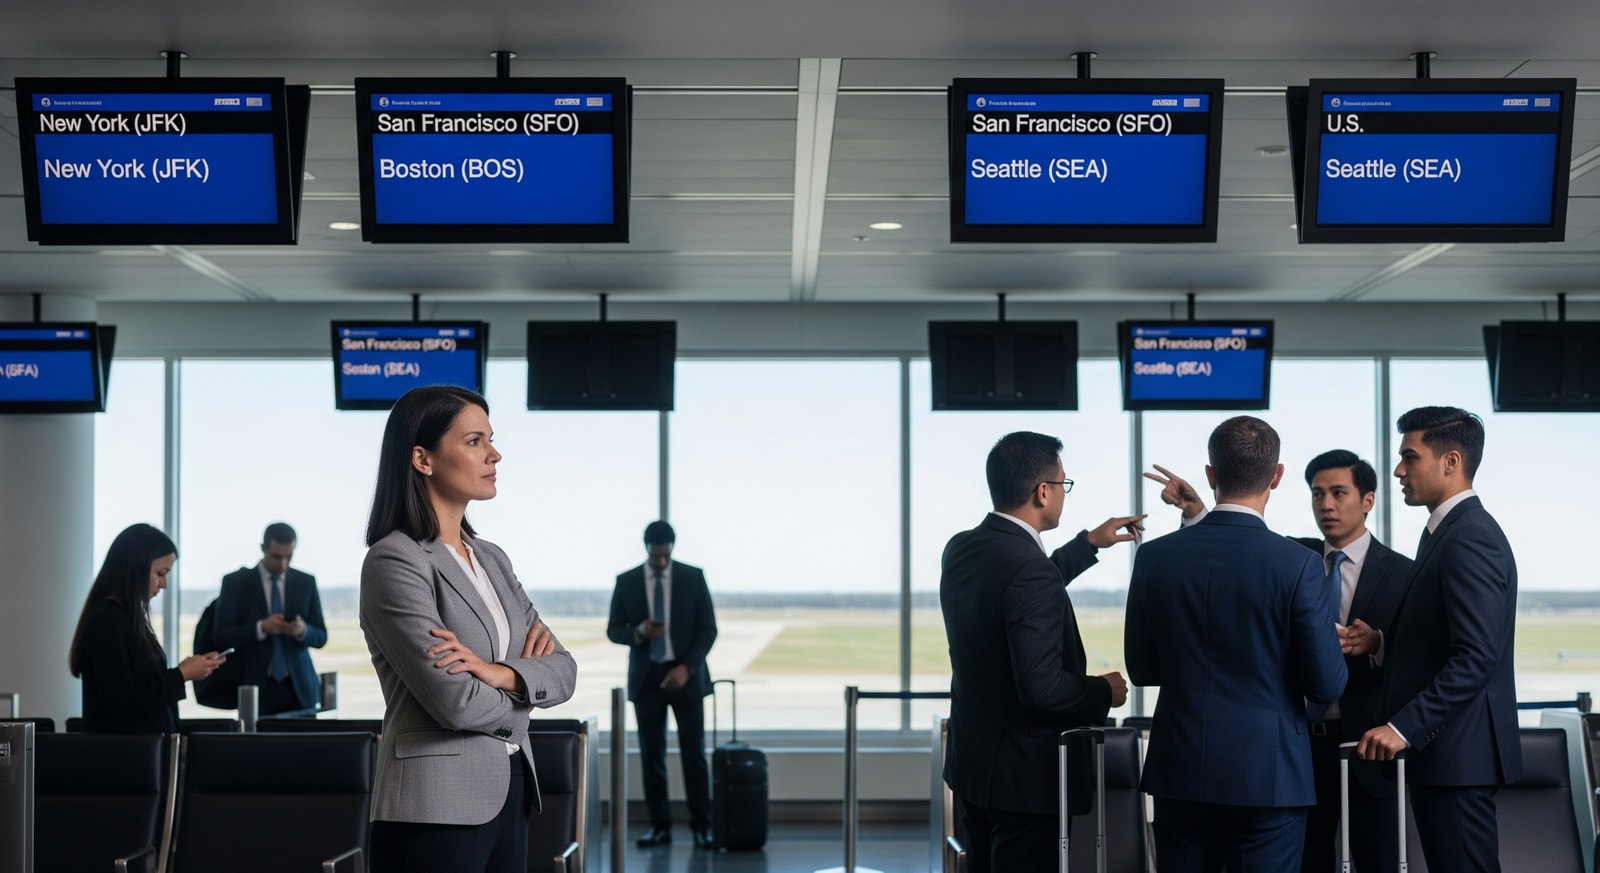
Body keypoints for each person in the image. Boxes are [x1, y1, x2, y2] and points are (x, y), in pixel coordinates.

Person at [1147, 449, 1412, 873]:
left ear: (1367, 500)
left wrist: (1379, 643)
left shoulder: (1404, 573)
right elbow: (1231, 558)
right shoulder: (1294, 557)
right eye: (1317, 494)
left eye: (1339, 493)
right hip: (1294, 746)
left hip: (1366, 747)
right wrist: (1198, 512)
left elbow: (1421, 654)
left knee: (1377, 858)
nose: (1326, 504)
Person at [360, 385, 578, 873]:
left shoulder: (492, 559)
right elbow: (454, 701)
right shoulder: (395, 560)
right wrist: (528, 687)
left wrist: (499, 673)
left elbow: (563, 669)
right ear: (423, 458)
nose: (495, 455)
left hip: (510, 787)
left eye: (490, 440)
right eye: (475, 441)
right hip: (433, 807)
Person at [1125, 416, 1346, 872]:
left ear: (1211, 475)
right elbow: (1326, 681)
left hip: (1180, 769)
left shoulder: (1154, 558)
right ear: (1278, 476)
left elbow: (1143, 669)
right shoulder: (1299, 564)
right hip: (1271, 774)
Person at [940, 431, 1142, 872]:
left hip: (976, 767)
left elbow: (1019, 591)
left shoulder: (963, 548)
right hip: (1024, 782)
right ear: (1043, 491)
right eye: (1064, 485)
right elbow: (1042, 688)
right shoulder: (1027, 567)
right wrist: (1102, 692)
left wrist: (1087, 544)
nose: (1063, 494)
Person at [1357, 407, 1519, 873]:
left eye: (1410, 456)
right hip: (1447, 756)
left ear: (1450, 461)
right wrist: (1381, 644)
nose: (1398, 470)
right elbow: (1444, 640)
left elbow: (1476, 656)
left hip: (1457, 755)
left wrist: (1403, 727)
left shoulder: (1468, 537)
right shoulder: (1446, 532)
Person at [607, 520, 718, 849]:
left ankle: (702, 826)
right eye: (655, 556)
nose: (659, 562)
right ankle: (660, 827)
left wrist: (687, 668)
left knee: (694, 755)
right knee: (650, 756)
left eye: (664, 556)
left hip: (687, 677)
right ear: (646, 548)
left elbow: (708, 629)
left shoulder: (692, 577)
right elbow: (614, 630)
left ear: (672, 548)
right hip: (647, 679)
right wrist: (638, 632)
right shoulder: (626, 581)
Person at [69, 523, 227, 734]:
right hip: (125, 757)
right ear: (134, 568)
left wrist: (184, 671)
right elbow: (121, 702)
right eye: (160, 573)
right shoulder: (106, 621)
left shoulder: (126, 617)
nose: (164, 584)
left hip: (140, 754)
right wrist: (181, 675)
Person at [213, 522, 329, 714]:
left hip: (299, 689)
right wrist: (261, 628)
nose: (282, 563)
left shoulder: (306, 582)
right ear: (263, 548)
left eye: (288, 557)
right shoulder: (236, 582)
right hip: (255, 688)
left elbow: (321, 636)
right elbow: (220, 635)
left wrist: (302, 631)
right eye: (276, 556)